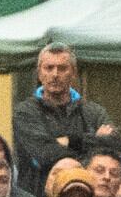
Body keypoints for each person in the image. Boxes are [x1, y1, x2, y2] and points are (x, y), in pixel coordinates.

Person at [13, 43, 109, 176]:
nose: (55, 74)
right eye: (49, 68)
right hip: (39, 194)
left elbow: (114, 142)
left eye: (62, 68)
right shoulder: (25, 112)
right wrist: (90, 144)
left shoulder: (93, 112)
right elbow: (46, 153)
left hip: (86, 193)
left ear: (74, 73)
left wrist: (68, 141)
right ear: (39, 73)